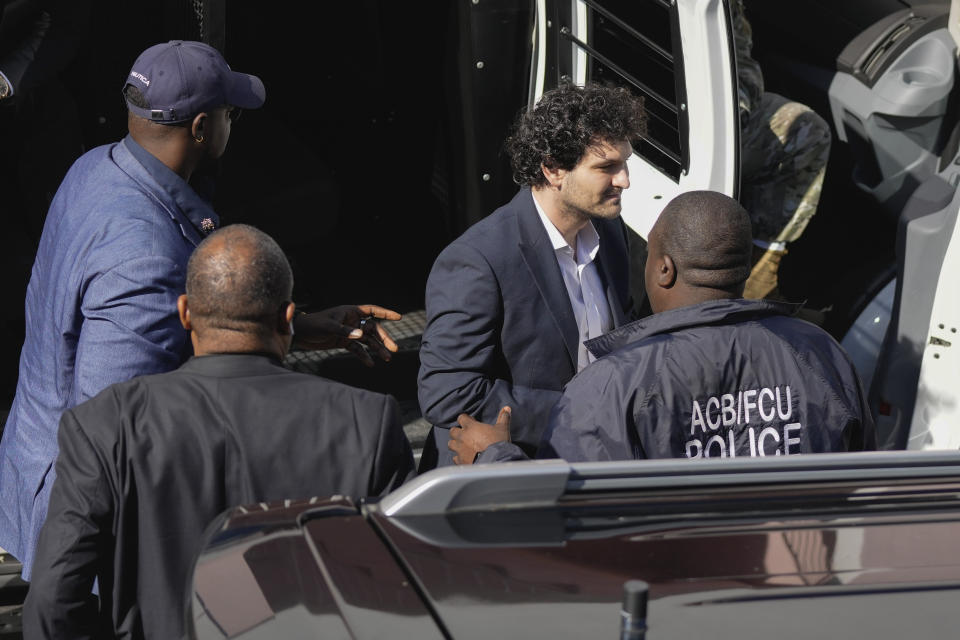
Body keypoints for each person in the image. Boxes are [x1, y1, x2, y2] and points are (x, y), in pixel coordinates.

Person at [0, 40, 400, 580]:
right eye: (229, 114)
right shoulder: (142, 257)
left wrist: (291, 328)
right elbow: (114, 434)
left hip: (35, 472)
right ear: (201, 129)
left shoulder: (94, 168)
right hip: (100, 550)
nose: (234, 124)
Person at [21, 224, 415, 640]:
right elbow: (404, 594)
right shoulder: (367, 421)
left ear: (186, 312)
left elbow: (52, 603)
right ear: (287, 319)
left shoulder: (106, 423)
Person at [449, 191, 875, 464]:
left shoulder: (611, 385)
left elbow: (571, 517)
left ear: (664, 269)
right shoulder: (823, 352)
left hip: (673, 596)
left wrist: (493, 459)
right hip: (799, 587)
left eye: (649, 254)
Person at [418, 82, 645, 467]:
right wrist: (585, 413)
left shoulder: (610, 232)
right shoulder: (478, 260)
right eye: (606, 167)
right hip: (505, 479)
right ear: (553, 169)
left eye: (625, 163)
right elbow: (447, 391)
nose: (624, 180)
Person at [733, 0, 832, 299]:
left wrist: (735, 107)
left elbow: (738, 57)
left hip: (715, 110)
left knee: (806, 131)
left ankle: (759, 269)